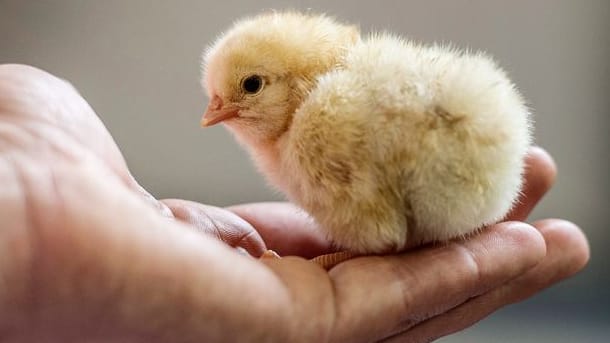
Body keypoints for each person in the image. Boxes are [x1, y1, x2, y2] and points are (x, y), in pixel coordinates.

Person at [0, 64, 589, 342]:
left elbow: (377, 227)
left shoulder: (316, 126)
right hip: (480, 185)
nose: (217, 111)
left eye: (247, 87)